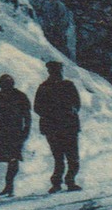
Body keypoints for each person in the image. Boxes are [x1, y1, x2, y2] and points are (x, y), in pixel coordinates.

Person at [33, 60, 82, 192]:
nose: (57, 73)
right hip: (54, 127)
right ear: (49, 72)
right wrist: (51, 113)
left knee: (72, 158)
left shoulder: (68, 86)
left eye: (58, 71)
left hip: (68, 127)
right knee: (59, 158)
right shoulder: (43, 88)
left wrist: (71, 110)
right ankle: (58, 183)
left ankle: (69, 180)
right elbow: (37, 108)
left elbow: (77, 104)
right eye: (54, 71)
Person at [0, 74, 32, 197]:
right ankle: (8, 186)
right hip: (2, 133)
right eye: (3, 83)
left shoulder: (20, 96)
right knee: (8, 159)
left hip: (15, 132)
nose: (5, 85)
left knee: (13, 158)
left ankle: (9, 185)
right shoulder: (0, 97)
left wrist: (26, 131)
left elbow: (27, 116)